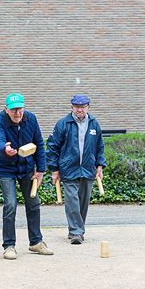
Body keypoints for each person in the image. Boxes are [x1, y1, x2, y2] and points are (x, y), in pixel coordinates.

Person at [0, 93, 54, 260]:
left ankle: (36, 242)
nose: (17, 113)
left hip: (27, 168)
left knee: (33, 203)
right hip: (6, 169)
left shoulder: (31, 119)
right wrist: (4, 149)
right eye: (13, 110)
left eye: (20, 109)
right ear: (6, 110)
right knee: (10, 204)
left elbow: (40, 144)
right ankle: (9, 246)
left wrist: (40, 170)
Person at [46, 95, 106, 244]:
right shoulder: (62, 124)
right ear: (72, 107)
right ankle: (76, 232)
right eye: (77, 106)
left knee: (83, 202)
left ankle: (77, 229)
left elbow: (100, 147)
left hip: (88, 168)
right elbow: (52, 147)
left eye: (83, 106)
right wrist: (54, 169)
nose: (80, 109)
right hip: (68, 168)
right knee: (72, 201)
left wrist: (100, 166)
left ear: (88, 108)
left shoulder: (94, 124)